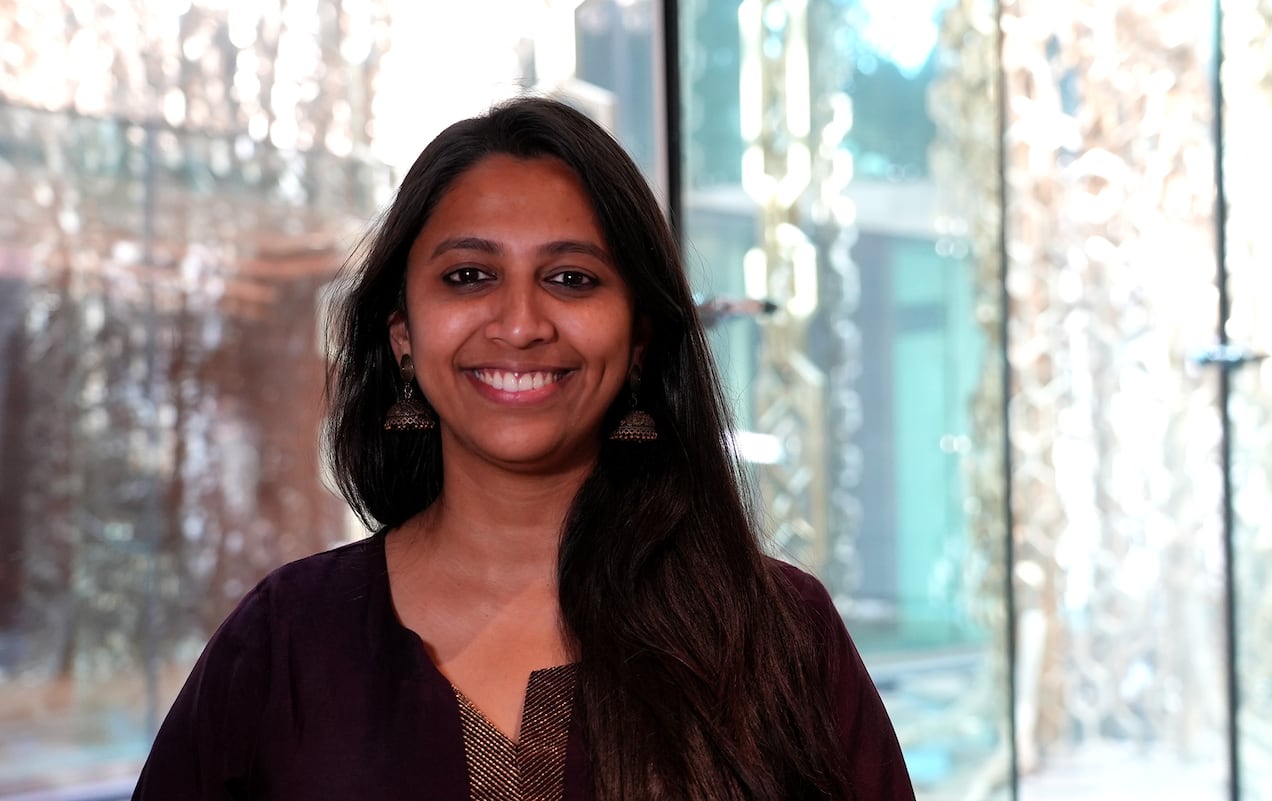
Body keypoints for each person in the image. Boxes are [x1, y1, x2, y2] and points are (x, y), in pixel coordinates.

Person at [132, 96, 915, 801]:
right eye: (468, 275)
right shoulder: (288, 639)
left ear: (639, 337)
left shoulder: (777, 631)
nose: (519, 323)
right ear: (402, 335)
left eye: (572, 279)